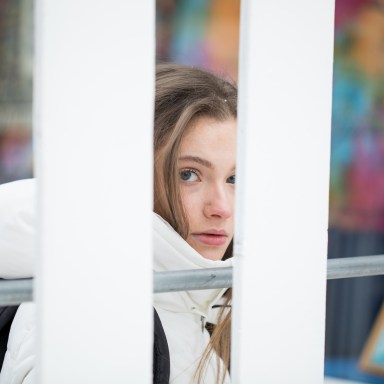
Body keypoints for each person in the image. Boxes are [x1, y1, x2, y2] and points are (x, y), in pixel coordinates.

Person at [0, 63, 237, 384]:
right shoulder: (89, 320)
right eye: (189, 174)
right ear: (129, 178)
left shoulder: (200, 309)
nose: (221, 207)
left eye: (234, 178)